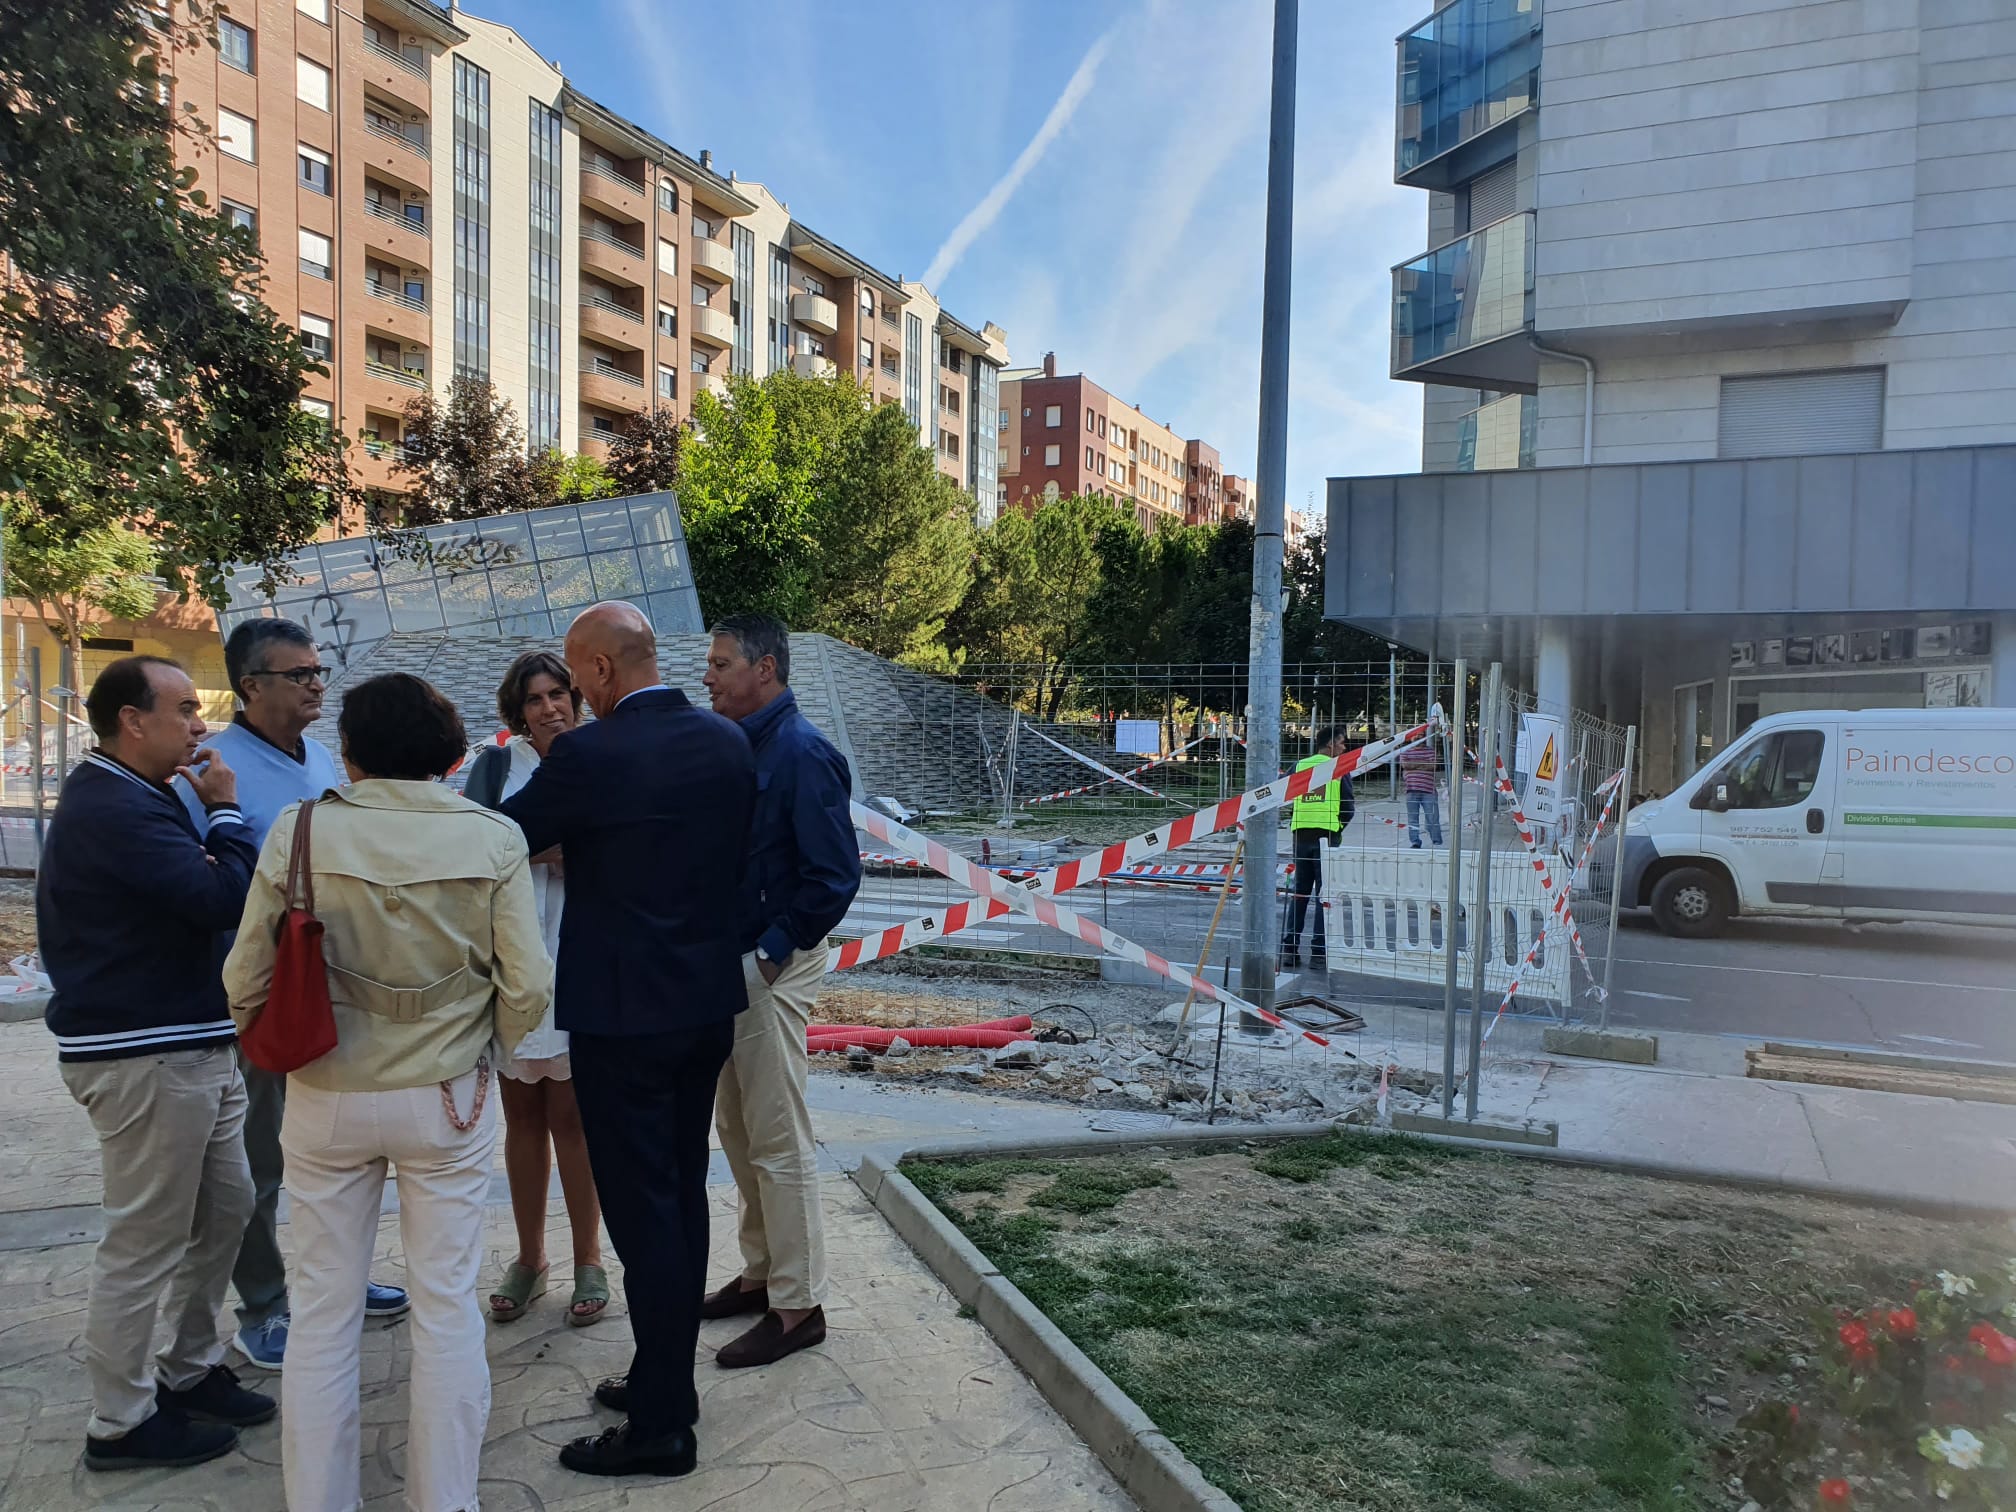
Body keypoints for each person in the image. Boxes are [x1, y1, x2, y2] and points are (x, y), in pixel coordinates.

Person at [221, 672, 552, 1512]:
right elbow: (530, 985)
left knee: (324, 1313)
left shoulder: (303, 829)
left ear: (354, 754)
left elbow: (243, 977)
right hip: (448, 1096)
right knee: (446, 1307)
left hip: (325, 1090)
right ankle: (445, 1502)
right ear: (448, 755)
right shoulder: (491, 837)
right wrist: (491, 1046)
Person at [499, 602, 755, 1480]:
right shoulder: (728, 743)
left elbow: (507, 837)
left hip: (621, 1019)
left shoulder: (589, 754)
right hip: (702, 1011)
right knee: (679, 1198)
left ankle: (660, 1430)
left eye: (575, 679)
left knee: (645, 1217)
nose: (570, 695)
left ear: (601, 673)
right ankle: (661, 1384)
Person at [39, 657, 274, 1471]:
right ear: (132, 720)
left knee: (225, 1208)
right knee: (146, 1238)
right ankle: (121, 1420)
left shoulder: (141, 793)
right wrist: (227, 815)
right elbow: (217, 897)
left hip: (191, 1041)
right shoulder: (112, 804)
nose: (199, 725)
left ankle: (190, 1367)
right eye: (182, 709)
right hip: (144, 1053)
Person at [177, 618, 409, 1371]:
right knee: (259, 1159)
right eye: (299, 674)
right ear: (251, 686)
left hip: (330, 984)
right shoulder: (212, 767)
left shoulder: (320, 761)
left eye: (318, 671)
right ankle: (266, 1304)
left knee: (334, 1151)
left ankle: (334, 1280)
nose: (317, 685)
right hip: (259, 993)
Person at [700, 614, 861, 1369]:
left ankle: (798, 1307)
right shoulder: (737, 743)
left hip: (771, 966)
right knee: (737, 1129)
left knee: (777, 1136)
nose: (709, 676)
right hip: (730, 964)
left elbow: (834, 875)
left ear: (764, 670)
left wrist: (769, 953)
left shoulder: (803, 753)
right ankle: (763, 1275)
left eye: (722, 663)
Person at [462, 651, 608, 1327]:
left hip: (581, 957)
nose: (550, 708)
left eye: (559, 695)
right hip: (514, 963)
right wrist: (548, 848)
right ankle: (529, 1258)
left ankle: (589, 1259)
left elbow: (619, 850)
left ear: (578, 699)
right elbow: (471, 852)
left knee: (574, 1117)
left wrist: (551, 848)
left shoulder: (605, 757)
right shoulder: (495, 768)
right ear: (516, 710)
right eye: (535, 698)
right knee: (521, 1117)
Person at [1280, 725, 1355, 970]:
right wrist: (1336, 827)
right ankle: (1319, 953)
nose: (1344, 748)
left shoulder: (1300, 766)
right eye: (1342, 743)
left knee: (1300, 894)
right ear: (1331, 744)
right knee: (1324, 896)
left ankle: (1290, 949)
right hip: (1327, 838)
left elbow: (1284, 791)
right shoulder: (1338, 768)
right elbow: (1348, 808)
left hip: (1301, 836)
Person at [1401, 739, 1443, 849]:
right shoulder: (1405, 751)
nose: (1419, 736)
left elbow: (1433, 766)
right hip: (1411, 790)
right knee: (1413, 819)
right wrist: (1424, 764)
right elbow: (1405, 765)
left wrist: (1413, 765)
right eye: (1417, 735)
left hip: (1429, 790)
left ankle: (1437, 841)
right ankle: (1415, 842)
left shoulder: (1430, 751)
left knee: (1433, 817)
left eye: (1421, 734)